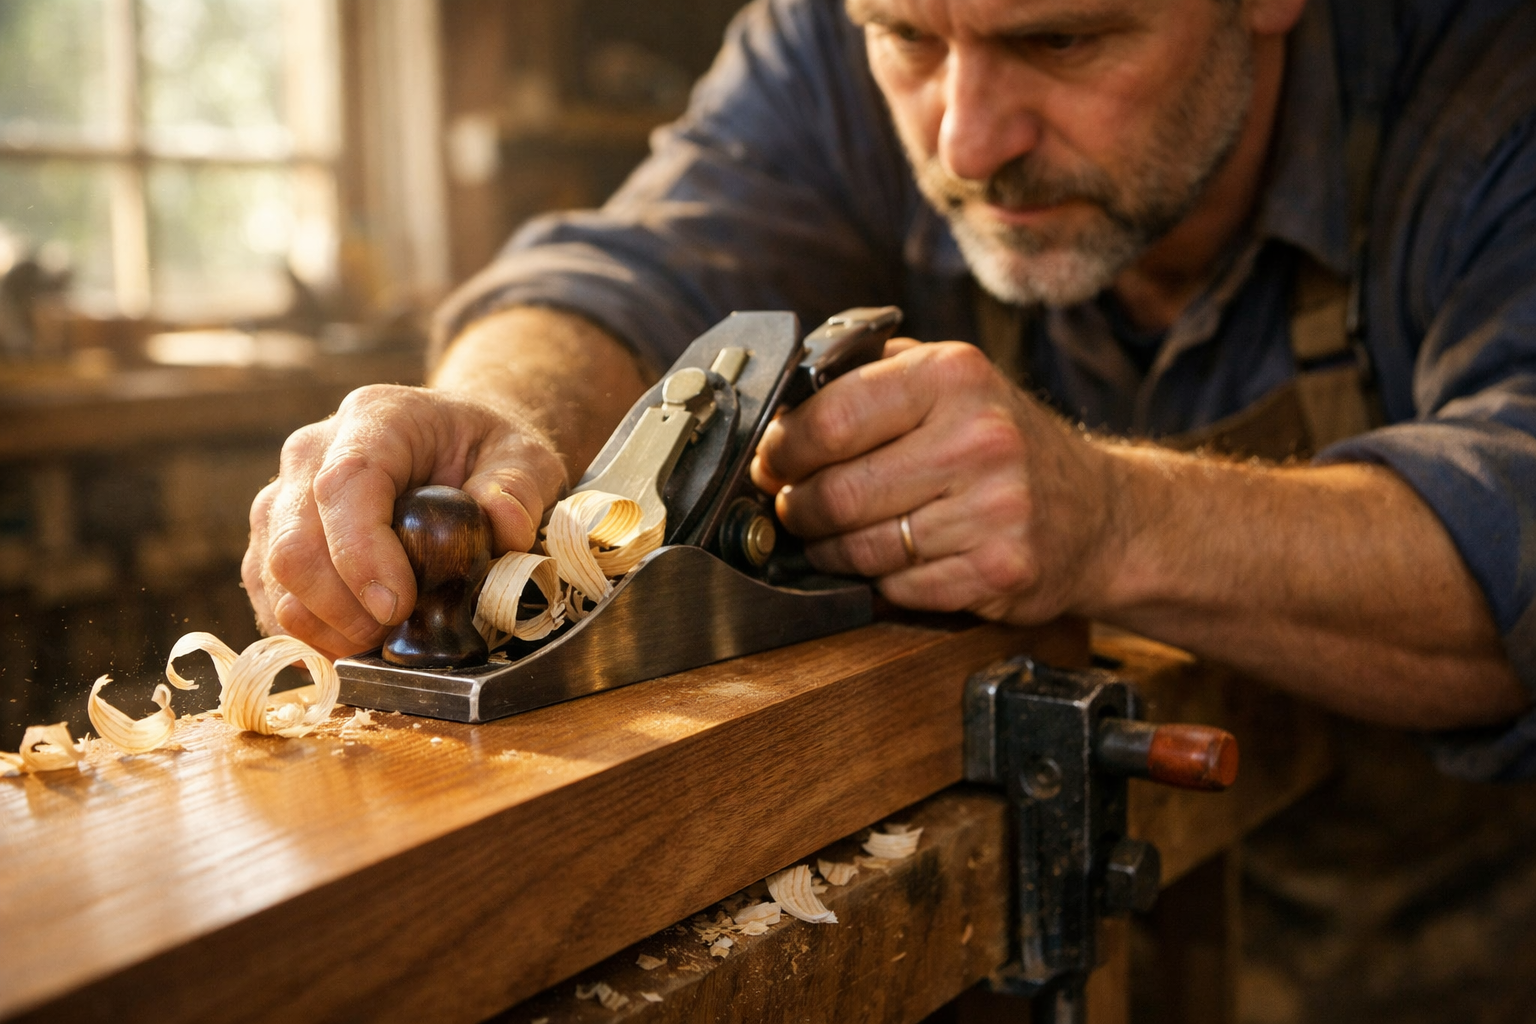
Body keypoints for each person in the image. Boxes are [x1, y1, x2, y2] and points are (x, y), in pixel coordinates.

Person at [245, 0, 1536, 779]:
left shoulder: (1489, 94)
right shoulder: (826, 43)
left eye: (1065, 38)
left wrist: (1114, 519)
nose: (968, 141)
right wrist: (510, 413)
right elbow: (629, 263)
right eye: (906, 38)